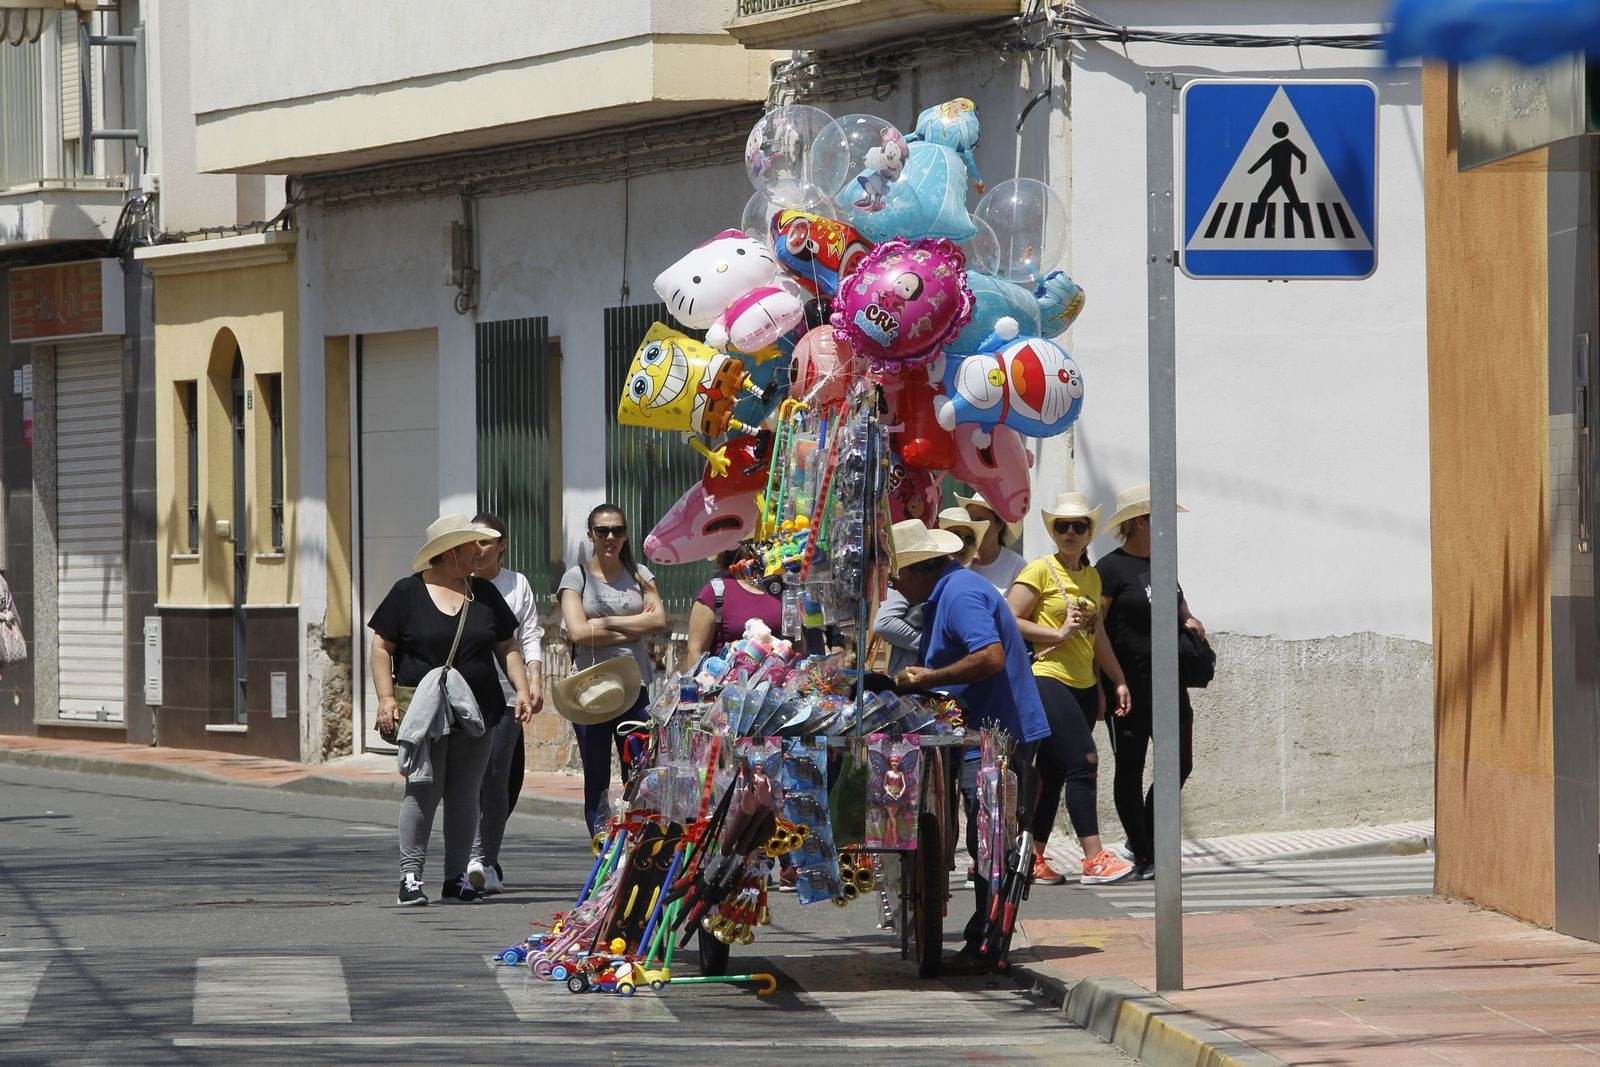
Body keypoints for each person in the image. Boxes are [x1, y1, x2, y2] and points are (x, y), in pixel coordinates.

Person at [887, 518, 1049, 973]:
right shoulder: (948, 593)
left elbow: (990, 656)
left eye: (897, 574)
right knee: (987, 839)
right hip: (980, 731)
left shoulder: (959, 594)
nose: (894, 584)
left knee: (990, 840)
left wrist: (931, 679)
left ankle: (987, 944)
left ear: (917, 569)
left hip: (996, 734)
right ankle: (985, 937)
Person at [370, 513, 534, 906]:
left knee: (464, 794)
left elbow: (508, 646)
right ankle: (410, 877)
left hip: (478, 713)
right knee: (422, 790)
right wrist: (386, 698)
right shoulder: (407, 593)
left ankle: (456, 878)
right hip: (426, 714)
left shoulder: (485, 594)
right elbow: (381, 647)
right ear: (448, 552)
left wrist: (523, 688)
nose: (480, 551)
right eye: (471, 544)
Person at [1005, 492, 1135, 887]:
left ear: (1090, 532)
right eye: (1063, 526)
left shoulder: (1091, 577)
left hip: (1083, 684)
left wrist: (1116, 680)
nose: (1071, 532)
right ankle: (1094, 858)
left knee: (1053, 771)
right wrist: (1056, 632)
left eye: (1079, 526)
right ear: (1053, 531)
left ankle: (1032, 856)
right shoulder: (1039, 570)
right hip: (1048, 676)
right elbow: (1008, 618)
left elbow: (1097, 636)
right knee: (1084, 761)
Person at [1096, 484, 1206, 881]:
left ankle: (1141, 835)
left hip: (1169, 683)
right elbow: (1096, 630)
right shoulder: (1109, 569)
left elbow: (1179, 606)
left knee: (1180, 763)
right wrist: (1107, 683)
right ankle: (1144, 853)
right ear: (1141, 522)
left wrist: (1190, 620)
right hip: (1127, 685)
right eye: (1161, 517)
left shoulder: (1164, 563)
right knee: (1130, 767)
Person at [559, 503, 666, 836]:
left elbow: (658, 621)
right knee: (596, 776)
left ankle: (635, 845)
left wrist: (604, 622)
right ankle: (602, 847)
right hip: (589, 690)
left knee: (639, 772)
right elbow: (578, 632)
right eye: (602, 531)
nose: (610, 537)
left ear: (625, 534)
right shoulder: (576, 577)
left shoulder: (640, 574)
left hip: (634, 688)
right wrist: (634, 627)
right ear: (591, 534)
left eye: (617, 530)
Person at [466, 511, 546, 896]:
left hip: (508, 695)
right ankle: (471, 857)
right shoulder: (457, 582)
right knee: (468, 778)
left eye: (485, 541)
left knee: (498, 777)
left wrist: (534, 681)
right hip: (464, 695)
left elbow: (528, 635)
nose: (477, 548)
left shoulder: (517, 584)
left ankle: (484, 860)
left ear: (502, 546)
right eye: (472, 540)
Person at [872, 509, 988, 677]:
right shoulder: (908, 581)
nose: (963, 543)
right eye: (956, 535)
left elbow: (989, 654)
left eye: (969, 539)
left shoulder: (960, 587)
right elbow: (884, 623)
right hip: (913, 674)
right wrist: (930, 643)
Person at [684, 543, 788, 663]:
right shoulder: (715, 592)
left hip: (782, 673)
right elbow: (695, 653)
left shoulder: (787, 589)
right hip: (730, 674)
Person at [956, 491, 1027, 593]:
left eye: (980, 520)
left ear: (999, 524)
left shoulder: (1016, 565)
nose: (974, 527)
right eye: (970, 521)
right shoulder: (956, 561)